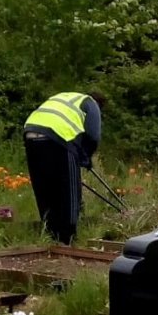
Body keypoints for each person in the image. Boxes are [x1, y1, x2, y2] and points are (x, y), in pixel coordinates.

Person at [23, 91, 103, 245]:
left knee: (44, 187)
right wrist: (86, 156)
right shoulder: (91, 103)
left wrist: (80, 154)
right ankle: (68, 237)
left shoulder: (65, 97)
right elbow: (93, 135)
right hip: (59, 138)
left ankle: (50, 233)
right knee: (69, 189)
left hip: (31, 133)